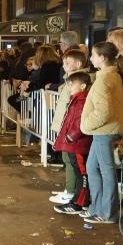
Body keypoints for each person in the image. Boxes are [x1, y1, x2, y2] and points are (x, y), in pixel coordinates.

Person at [80, 42, 123, 225]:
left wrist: (86, 124)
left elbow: (103, 112)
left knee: (105, 170)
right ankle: (97, 208)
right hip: (110, 129)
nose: (91, 58)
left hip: (103, 131)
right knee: (93, 167)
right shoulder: (116, 76)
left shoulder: (105, 79)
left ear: (102, 58)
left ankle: (107, 213)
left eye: (94, 55)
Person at [48, 49, 91, 205]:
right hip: (67, 128)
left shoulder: (80, 83)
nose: (64, 65)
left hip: (73, 134)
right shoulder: (70, 80)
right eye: (64, 62)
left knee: (74, 164)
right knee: (69, 161)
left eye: (67, 62)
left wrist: (71, 135)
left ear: (78, 64)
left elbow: (77, 115)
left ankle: (72, 193)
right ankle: (70, 191)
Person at [53, 72, 93, 215]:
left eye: (72, 84)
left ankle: (79, 203)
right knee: (79, 172)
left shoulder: (82, 101)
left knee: (82, 174)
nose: (69, 87)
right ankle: (79, 201)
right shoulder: (76, 99)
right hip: (75, 143)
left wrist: (71, 136)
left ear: (82, 86)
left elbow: (80, 121)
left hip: (78, 143)